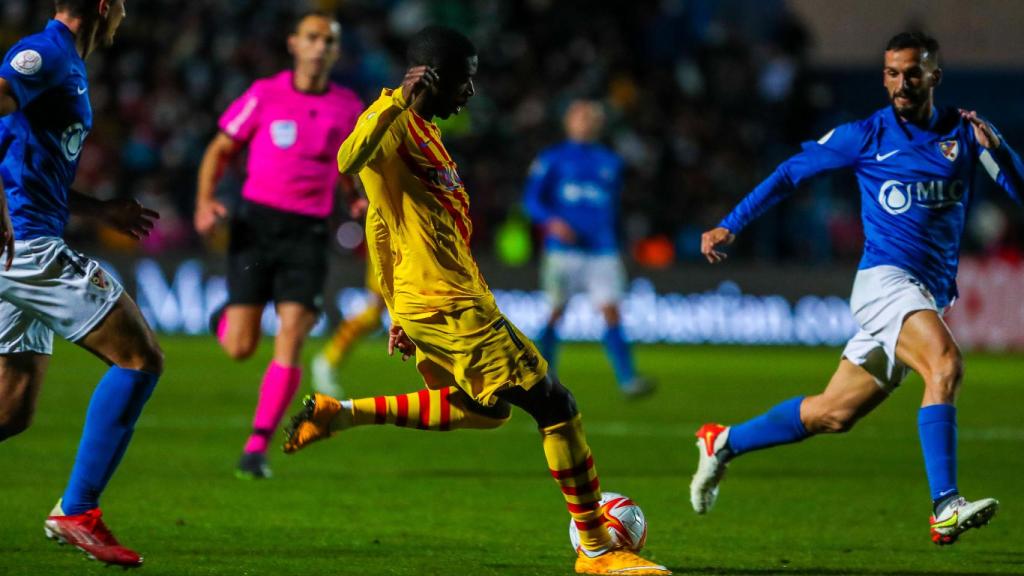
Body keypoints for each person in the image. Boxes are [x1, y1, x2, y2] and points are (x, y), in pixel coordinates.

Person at [282, 25, 670, 575]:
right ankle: (596, 550)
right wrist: (398, 97)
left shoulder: (427, 134)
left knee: (484, 410)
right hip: (448, 304)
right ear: (431, 78)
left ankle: (339, 413)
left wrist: (397, 309)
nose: (470, 91)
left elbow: (384, 226)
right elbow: (348, 157)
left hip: (438, 301)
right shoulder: (393, 123)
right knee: (555, 405)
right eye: (464, 78)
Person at [692, 32, 1022, 545]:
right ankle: (945, 505)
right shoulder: (865, 135)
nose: (901, 83)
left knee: (833, 413)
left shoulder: (965, 132)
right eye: (892, 73)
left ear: (935, 76)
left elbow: (1018, 188)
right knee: (946, 364)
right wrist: (730, 224)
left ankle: (722, 442)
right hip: (884, 282)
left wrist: (998, 149)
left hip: (927, 293)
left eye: (913, 73)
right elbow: (788, 174)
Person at [0, 0, 164, 567]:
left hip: (22, 241)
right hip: (25, 247)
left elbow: (30, 165)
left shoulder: (65, 62)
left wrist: (98, 209)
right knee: (140, 358)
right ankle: (77, 510)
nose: (124, 12)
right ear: (102, 6)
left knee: (10, 410)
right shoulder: (41, 55)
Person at [194, 11, 363, 479]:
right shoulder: (264, 94)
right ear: (293, 43)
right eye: (311, 37)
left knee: (292, 334)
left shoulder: (348, 106)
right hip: (256, 225)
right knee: (240, 348)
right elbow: (220, 148)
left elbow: (349, 164)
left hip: (308, 232)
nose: (319, 46)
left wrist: (355, 199)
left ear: (335, 50)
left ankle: (256, 447)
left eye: (328, 40)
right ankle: (224, 322)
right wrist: (206, 201)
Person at [524, 100, 652, 397]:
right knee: (555, 312)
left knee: (612, 312)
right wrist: (552, 222)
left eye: (592, 118)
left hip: (602, 250)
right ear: (569, 122)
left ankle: (628, 379)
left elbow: (614, 207)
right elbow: (532, 201)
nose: (586, 122)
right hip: (562, 250)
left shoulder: (611, 162)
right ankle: (542, 377)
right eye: (581, 117)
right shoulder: (552, 159)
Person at [311, 251, 386, 397]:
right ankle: (328, 360)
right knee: (373, 313)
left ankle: (328, 360)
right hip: (395, 243)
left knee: (374, 314)